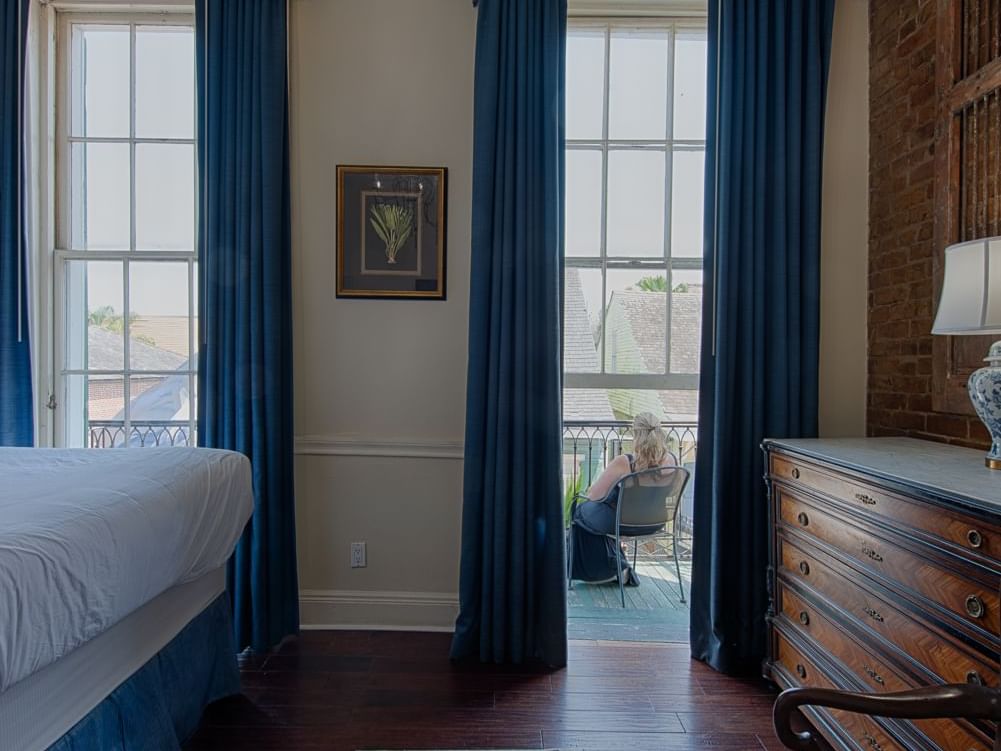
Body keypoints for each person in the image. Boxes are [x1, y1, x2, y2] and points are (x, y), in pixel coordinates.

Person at [568, 412, 677, 587]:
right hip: (655, 522)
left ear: (635, 434)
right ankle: (616, 564)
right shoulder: (672, 460)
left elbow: (594, 495)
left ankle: (607, 569)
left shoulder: (626, 462)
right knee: (596, 517)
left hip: (622, 523)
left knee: (581, 513)